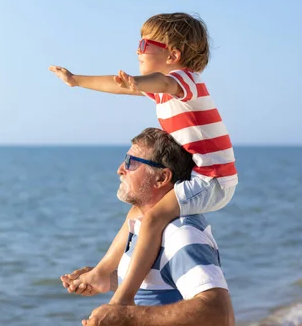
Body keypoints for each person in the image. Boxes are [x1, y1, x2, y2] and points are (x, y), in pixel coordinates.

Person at [50, 12, 238, 305]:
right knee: (135, 215)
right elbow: (121, 85)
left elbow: (161, 82)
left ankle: (122, 301)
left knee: (151, 221)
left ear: (173, 55)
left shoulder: (185, 82)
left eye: (146, 44)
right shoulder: (165, 92)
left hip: (213, 180)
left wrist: (138, 81)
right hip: (204, 177)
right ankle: (102, 272)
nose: (138, 50)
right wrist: (76, 80)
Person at [60, 128, 234, 326]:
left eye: (131, 163)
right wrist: (107, 278)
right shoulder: (142, 227)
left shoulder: (181, 234)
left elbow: (220, 314)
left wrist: (127, 317)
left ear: (161, 178)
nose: (120, 169)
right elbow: (164, 280)